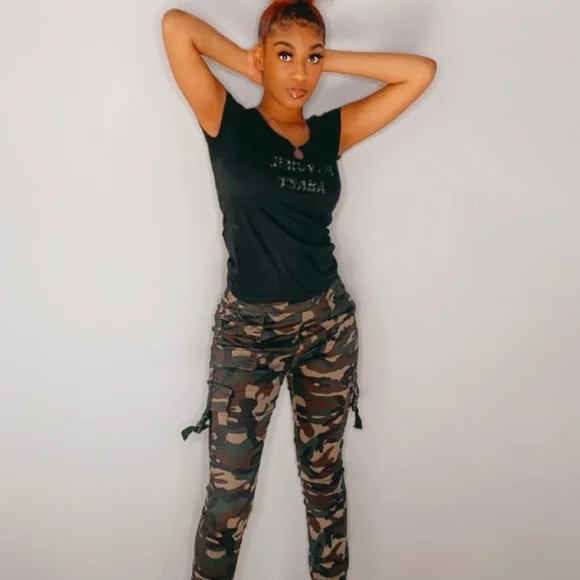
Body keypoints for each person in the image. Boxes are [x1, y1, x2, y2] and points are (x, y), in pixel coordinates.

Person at [161, 1, 436, 578]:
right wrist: (251, 60)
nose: (301, 73)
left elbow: (419, 72)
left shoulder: (330, 133)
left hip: (326, 329)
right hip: (247, 337)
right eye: (286, 56)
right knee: (227, 501)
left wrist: (320, 58)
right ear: (263, 57)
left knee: (324, 484)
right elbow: (176, 27)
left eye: (312, 59)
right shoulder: (227, 122)